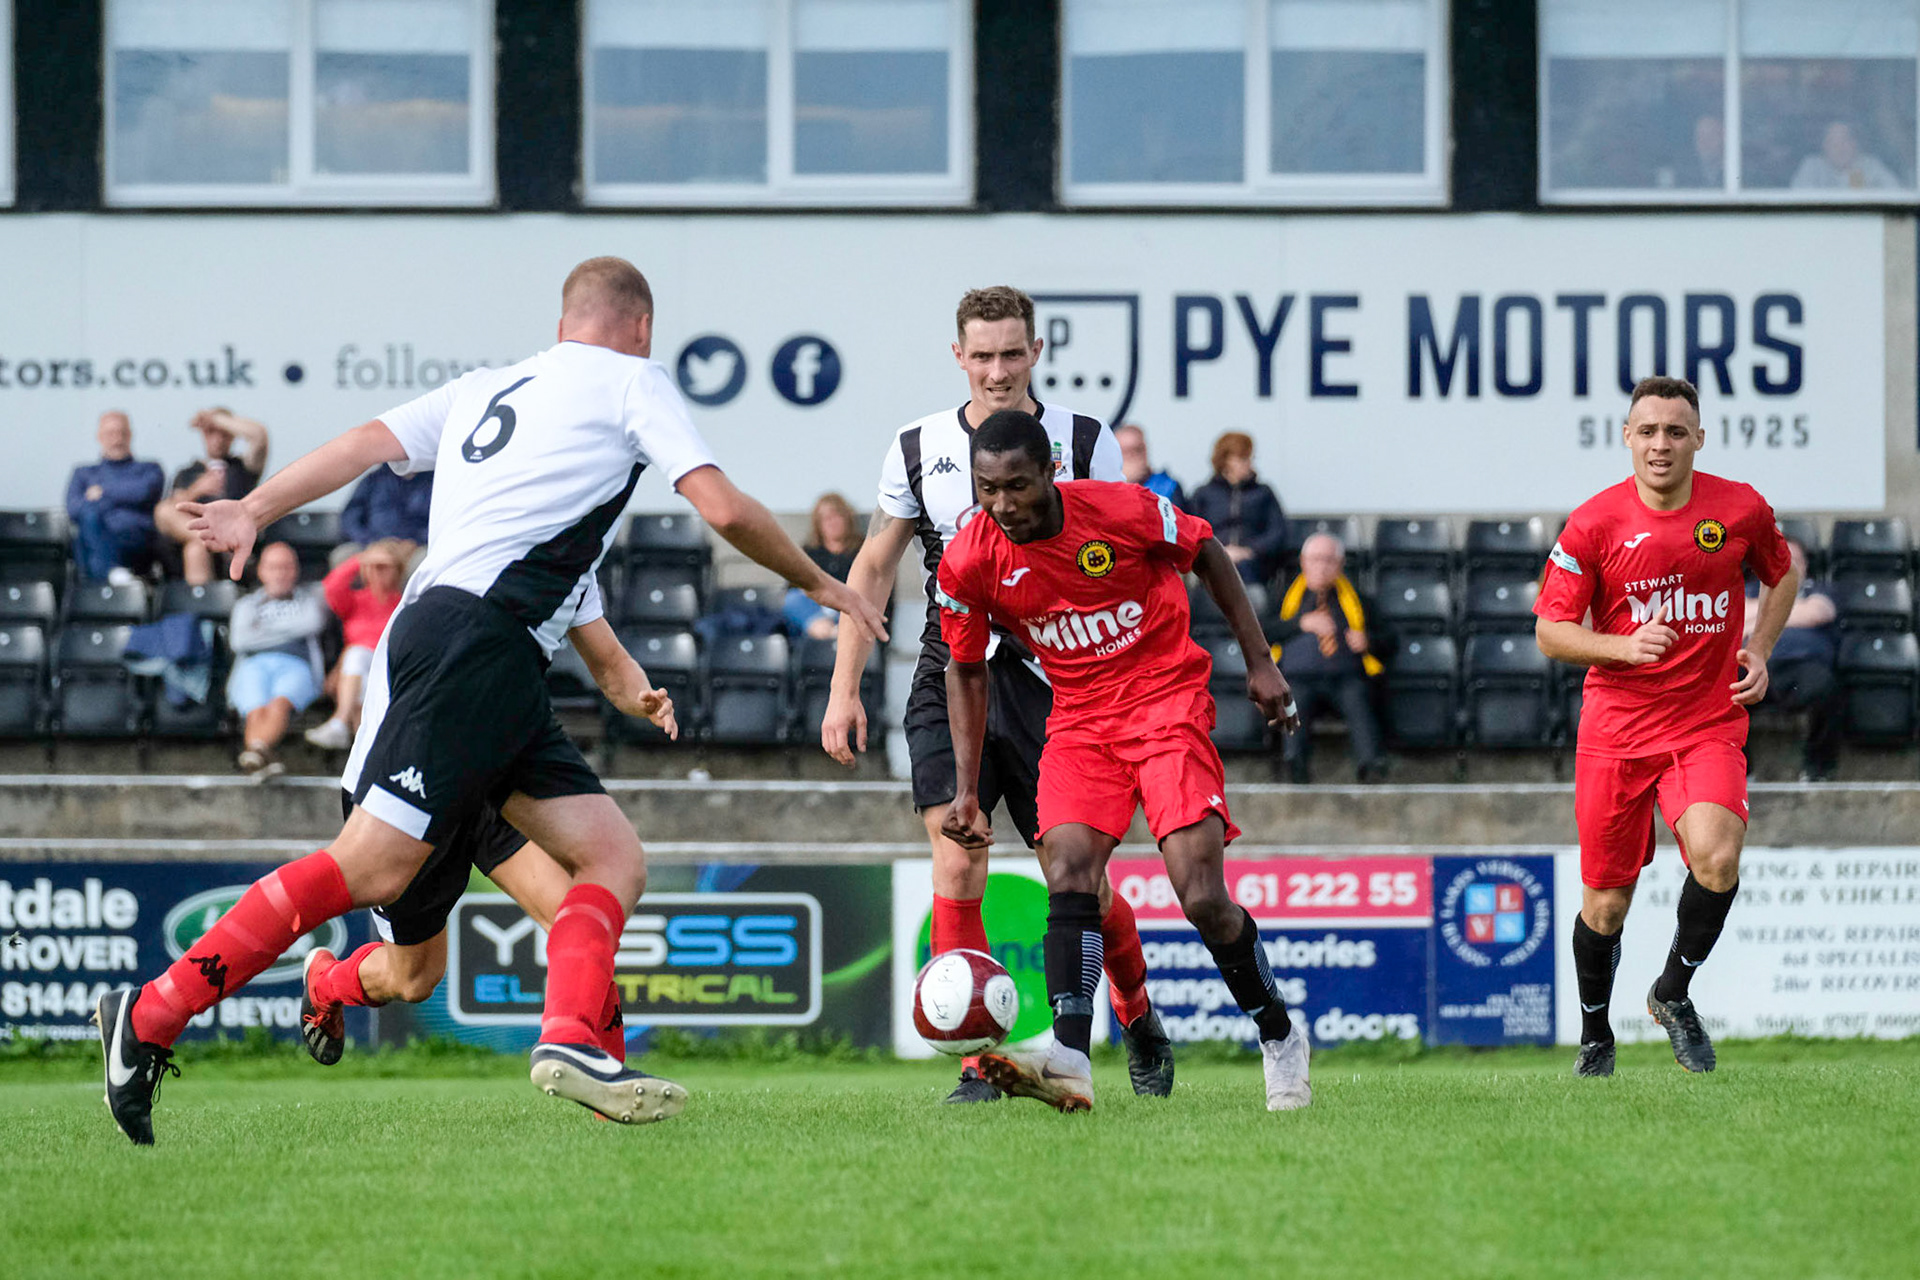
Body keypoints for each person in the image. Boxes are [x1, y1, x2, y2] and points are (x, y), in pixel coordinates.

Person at [93, 255, 885, 1144]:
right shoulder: (632, 381)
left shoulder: (490, 395)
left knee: (609, 860)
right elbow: (724, 509)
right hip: (470, 649)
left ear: (560, 325)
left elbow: (362, 444)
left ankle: (574, 1043)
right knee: (373, 873)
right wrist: (821, 582)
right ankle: (152, 1013)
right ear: (641, 329)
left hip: (490, 660)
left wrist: (258, 507)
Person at [819, 285, 1170, 1105]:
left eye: (1013, 353)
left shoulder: (1084, 440)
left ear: (1036, 352)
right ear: (958, 357)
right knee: (957, 854)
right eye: (982, 355)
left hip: (1063, 685)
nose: (998, 371)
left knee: (1078, 882)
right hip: (952, 671)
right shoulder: (917, 446)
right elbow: (873, 567)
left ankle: (1137, 1012)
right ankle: (979, 1064)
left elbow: (1128, 559)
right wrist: (843, 689)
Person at [936, 410, 1309, 1113]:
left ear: (1051, 471)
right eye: (988, 489)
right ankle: (1071, 1059)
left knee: (1201, 896)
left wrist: (1260, 662)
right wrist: (966, 790)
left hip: (1168, 705)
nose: (1003, 504)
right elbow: (966, 668)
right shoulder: (970, 558)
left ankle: (1278, 1033)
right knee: (1068, 871)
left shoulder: (1121, 510)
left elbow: (1207, 551)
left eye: (1017, 486)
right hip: (1080, 721)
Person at [1534, 374, 1797, 1079]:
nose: (1661, 444)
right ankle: (1596, 1035)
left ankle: (1672, 993)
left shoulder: (1739, 508)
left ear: (1698, 439)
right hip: (1616, 733)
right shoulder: (1593, 524)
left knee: (1717, 857)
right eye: (1647, 430)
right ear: (1627, 437)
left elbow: (1782, 572)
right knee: (1606, 905)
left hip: (1706, 722)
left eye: (1676, 431)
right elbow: (1550, 631)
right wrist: (1621, 647)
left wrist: (1761, 650)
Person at [301, 616, 679, 1067]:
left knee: (579, 921)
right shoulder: (452, 583)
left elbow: (611, 660)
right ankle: (325, 983)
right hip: (410, 783)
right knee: (414, 980)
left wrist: (641, 698)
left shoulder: (573, 576)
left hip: (490, 777)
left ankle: (608, 1078)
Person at [1271, 533, 1392, 783]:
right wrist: (1300, 624)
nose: (1321, 566)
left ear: (1340, 565)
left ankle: (1371, 767)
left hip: (1345, 678)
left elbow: (1391, 641)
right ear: (1303, 562)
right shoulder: (1283, 597)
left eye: (1328, 560)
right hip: (1298, 679)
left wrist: (1368, 641)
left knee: (1357, 697)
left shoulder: (1360, 600)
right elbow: (1260, 632)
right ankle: (1294, 767)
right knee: (1291, 700)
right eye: (1315, 559)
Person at [226, 541, 328, 779]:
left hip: (296, 664)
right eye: (273, 567)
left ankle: (255, 753)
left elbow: (312, 624)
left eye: (286, 567)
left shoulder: (309, 600)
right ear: (261, 571)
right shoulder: (246, 605)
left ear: (295, 570)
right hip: (253, 665)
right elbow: (240, 641)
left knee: (279, 704)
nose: (280, 573)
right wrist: (289, 632)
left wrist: (262, 631)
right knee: (256, 709)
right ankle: (263, 755)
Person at [1745, 539, 1840, 782]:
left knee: (1826, 688)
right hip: (1751, 664)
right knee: (1718, 691)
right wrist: (1794, 610)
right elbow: (1735, 617)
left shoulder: (1817, 589)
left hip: (1801, 665)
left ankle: (1818, 771)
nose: (1787, 566)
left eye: (1794, 561)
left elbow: (1818, 612)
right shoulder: (1748, 590)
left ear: (1805, 566)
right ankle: (1741, 772)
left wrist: (1762, 616)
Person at [304, 538, 408, 750]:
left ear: (396, 570)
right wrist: (361, 559)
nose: (377, 572)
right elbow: (331, 587)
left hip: (389, 667)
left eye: (384, 567)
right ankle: (349, 732)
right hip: (358, 672)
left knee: (357, 661)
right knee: (357, 663)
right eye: (372, 567)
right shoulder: (356, 601)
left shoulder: (403, 602)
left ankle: (339, 725)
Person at [153, 407, 271, 585]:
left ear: (232, 436)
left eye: (224, 433)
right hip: (199, 542)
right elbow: (169, 514)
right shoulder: (187, 473)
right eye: (211, 432)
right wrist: (197, 489)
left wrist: (215, 419)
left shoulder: (243, 468)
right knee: (168, 516)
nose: (218, 439)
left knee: (195, 548)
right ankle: (214, 540)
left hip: (235, 543)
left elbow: (259, 436)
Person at [65, 411, 165, 584]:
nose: (117, 440)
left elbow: (143, 492)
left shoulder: (149, 469)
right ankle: (114, 577)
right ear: (99, 437)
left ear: (130, 435)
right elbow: (73, 508)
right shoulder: (83, 473)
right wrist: (120, 498)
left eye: (122, 433)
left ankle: (101, 585)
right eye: (110, 434)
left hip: (135, 539)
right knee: (88, 518)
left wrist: (103, 493)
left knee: (87, 531)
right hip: (96, 535)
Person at [1186, 431, 1286, 586]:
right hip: (1212, 563)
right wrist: (1221, 552)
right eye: (1243, 459)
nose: (1249, 464)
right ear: (1226, 461)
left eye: (1250, 458)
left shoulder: (1263, 493)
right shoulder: (1203, 495)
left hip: (1253, 566)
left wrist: (1248, 551)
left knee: (1244, 577)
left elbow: (1277, 532)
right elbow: (1191, 532)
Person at [783, 492, 863, 641]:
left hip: (847, 609)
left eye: (837, 517)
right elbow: (793, 588)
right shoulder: (809, 552)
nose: (832, 523)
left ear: (847, 519)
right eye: (826, 519)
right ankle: (830, 633)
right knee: (793, 600)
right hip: (815, 610)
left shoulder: (862, 550)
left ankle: (830, 634)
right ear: (818, 524)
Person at [338, 465, 432, 556]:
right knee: (342, 555)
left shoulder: (434, 481)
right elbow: (350, 518)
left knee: (424, 558)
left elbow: (439, 522)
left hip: (417, 547)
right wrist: (368, 541)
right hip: (372, 544)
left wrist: (416, 541)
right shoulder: (374, 479)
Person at [1791, 120, 1900, 191]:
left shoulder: (1870, 166)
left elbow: (1895, 192)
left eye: (1845, 141)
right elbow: (1798, 198)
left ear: (1855, 144)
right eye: (1833, 143)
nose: (1840, 148)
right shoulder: (1812, 167)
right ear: (1824, 146)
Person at [1114, 423, 1187, 509]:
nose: (1131, 458)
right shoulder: (1107, 488)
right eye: (1125, 452)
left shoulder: (1167, 486)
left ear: (1145, 451)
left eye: (1136, 450)